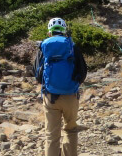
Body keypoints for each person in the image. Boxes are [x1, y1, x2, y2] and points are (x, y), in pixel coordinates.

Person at [34, 17, 87, 156]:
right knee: (71, 130)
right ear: (64, 30)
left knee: (51, 135)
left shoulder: (43, 47)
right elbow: (82, 72)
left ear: (49, 32)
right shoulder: (72, 46)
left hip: (50, 96)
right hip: (70, 95)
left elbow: (37, 75)